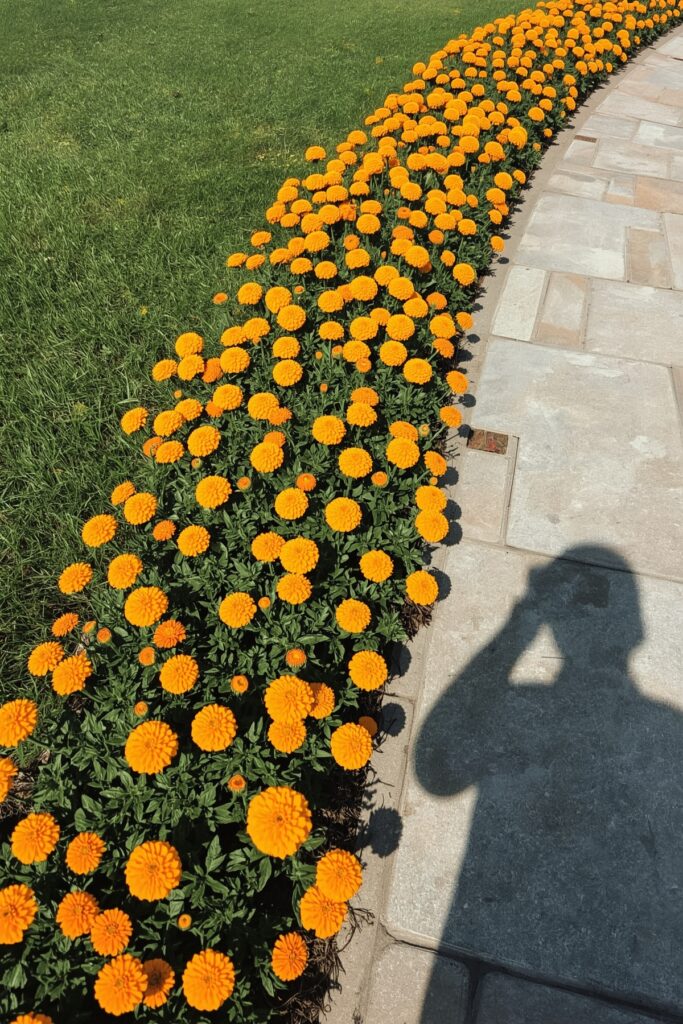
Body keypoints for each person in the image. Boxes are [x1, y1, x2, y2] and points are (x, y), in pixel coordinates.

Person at [414, 547, 683, 1016]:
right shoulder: (668, 727)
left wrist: (520, 624)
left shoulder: (526, 702)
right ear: (637, 630)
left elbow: (435, 771)